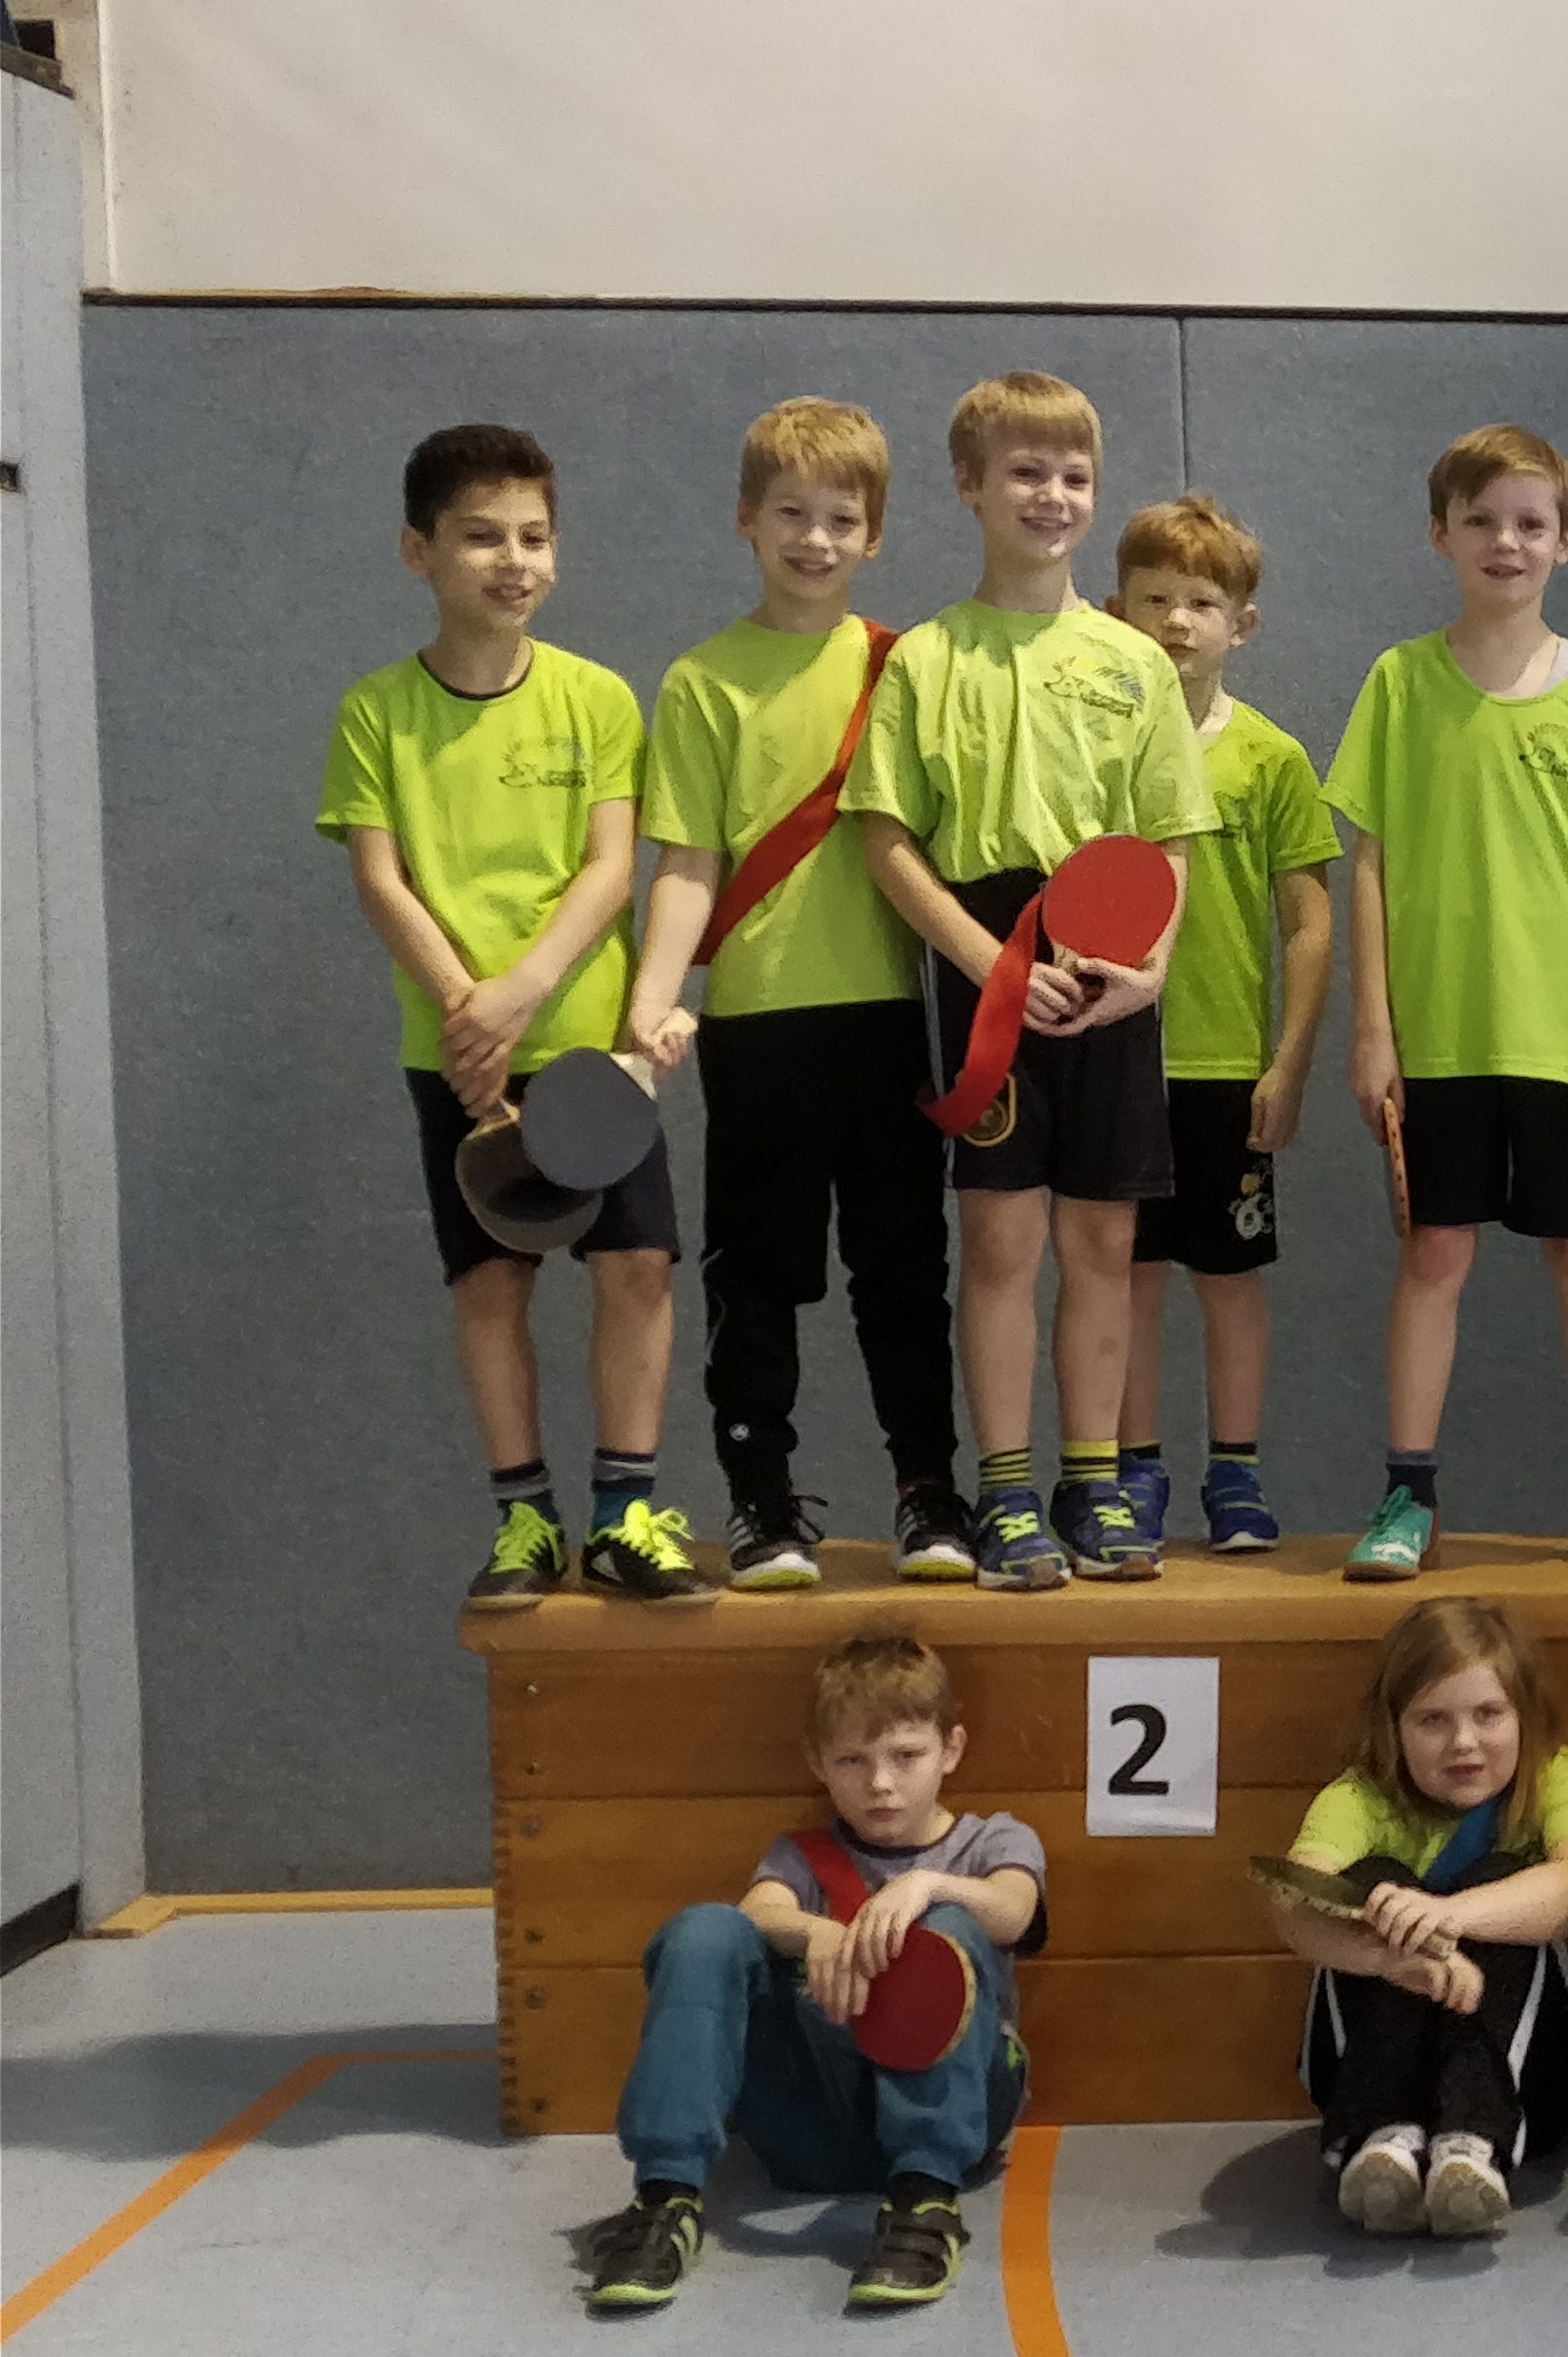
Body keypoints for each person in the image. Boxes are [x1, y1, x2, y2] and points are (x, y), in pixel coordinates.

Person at [845, 372, 1212, 1590]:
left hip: (1109, 965)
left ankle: (1092, 1482)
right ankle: (1006, 1492)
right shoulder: (926, 657)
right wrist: (980, 961)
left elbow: (1169, 839)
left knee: (1104, 1238)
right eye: (1025, 473)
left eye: (1074, 476)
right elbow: (887, 839)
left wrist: (1148, 969)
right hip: (985, 964)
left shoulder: (1135, 661)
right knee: (1001, 1240)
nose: (1052, 495)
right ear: (969, 485)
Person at [327, 422, 694, 1611]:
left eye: (534, 537)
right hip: (456, 1058)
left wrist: (521, 993)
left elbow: (610, 868)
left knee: (638, 1263)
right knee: (489, 1282)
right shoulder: (376, 712)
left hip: (592, 1048)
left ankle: (625, 1514)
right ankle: (524, 1520)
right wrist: (465, 1016)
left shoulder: (597, 698)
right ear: (418, 550)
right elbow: (382, 880)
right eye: (481, 536)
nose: (513, 560)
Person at [1327, 425, 1568, 1581]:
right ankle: (1407, 1496)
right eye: (1480, 519)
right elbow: (1369, 864)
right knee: (1433, 1256)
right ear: (1440, 534)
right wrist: (1373, 1030)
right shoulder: (1400, 684)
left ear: (1566, 543)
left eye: (1531, 522)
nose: (1506, 541)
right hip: (1437, 1041)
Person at [621, 399, 960, 1589]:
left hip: (892, 1021)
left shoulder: (907, 666)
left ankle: (930, 1493)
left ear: (876, 534)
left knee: (904, 1271)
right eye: (791, 514)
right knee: (756, 1275)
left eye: (841, 519)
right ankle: (761, 1503)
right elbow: (688, 864)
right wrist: (648, 1007)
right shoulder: (701, 681)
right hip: (757, 1027)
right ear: (745, 519)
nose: (815, 539)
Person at [575, 1628, 1042, 2312]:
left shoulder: (992, 1840)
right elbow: (758, 1911)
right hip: (815, 2126)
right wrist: (816, 1932)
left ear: (951, 1749)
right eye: (852, 1760)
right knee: (706, 1929)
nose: (880, 1783)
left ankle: (925, 2203)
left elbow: (1014, 1912)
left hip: (958, 2117)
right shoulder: (801, 1856)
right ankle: (665, 2196)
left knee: (948, 1924)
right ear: (818, 1763)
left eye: (906, 1756)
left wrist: (927, 1887)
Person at [1107, 493, 1336, 1556]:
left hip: (1225, 1068)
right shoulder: (1094, 750)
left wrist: (1288, 1063)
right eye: (1155, 598)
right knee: (1127, 1276)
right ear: (1117, 609)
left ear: (1241, 624)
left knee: (1229, 1279)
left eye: (1201, 602)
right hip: (1115, 1062)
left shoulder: (1273, 759)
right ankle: (1133, 1474)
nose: (1176, 620)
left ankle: (1235, 1476)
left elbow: (1308, 924)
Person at [1264, 1597, 1568, 2236]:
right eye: (1433, 1720)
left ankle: (1471, 2142)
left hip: (1537, 2086)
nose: (1464, 1743)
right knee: (1371, 1883)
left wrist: (1448, 1916)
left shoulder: (1562, 1780)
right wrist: (1388, 1957)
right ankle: (1384, 2138)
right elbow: (1293, 1898)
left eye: (1489, 1715)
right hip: (1361, 2077)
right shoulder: (1360, 1797)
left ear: (1526, 1715)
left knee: (1503, 1882)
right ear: (1394, 1727)